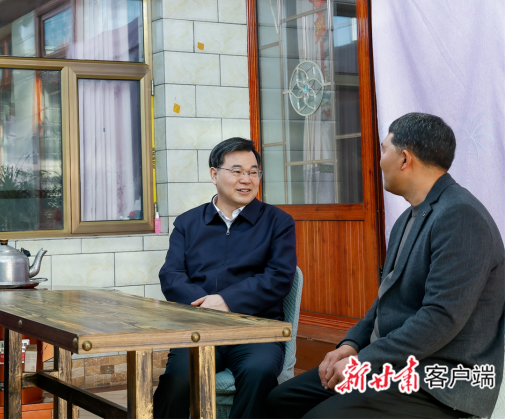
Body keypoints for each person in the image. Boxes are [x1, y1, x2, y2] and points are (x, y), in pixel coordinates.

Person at [266, 113, 505, 418]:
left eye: (383, 150)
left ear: (404, 159)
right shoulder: (408, 217)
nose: (379, 161)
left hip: (437, 379)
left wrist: (363, 363)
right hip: (391, 363)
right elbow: (386, 300)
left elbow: (440, 318)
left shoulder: (460, 216)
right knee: (280, 400)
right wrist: (351, 344)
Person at [154, 137, 297, 419]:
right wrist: (206, 306)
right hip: (200, 328)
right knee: (178, 380)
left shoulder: (278, 222)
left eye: (253, 172)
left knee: (259, 373)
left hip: (257, 330)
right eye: (237, 171)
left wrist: (227, 301)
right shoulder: (187, 223)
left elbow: (279, 277)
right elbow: (171, 275)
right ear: (214, 174)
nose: (246, 180)